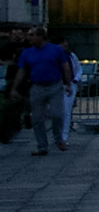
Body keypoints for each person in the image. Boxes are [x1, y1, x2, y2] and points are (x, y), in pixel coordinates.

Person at [14, 27, 76, 155]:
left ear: (41, 36)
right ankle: (42, 146)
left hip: (54, 85)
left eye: (32, 35)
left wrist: (68, 84)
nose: (29, 38)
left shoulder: (56, 50)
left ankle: (59, 139)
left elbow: (65, 67)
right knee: (37, 119)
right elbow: (22, 71)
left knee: (57, 115)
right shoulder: (27, 53)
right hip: (37, 86)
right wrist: (15, 87)